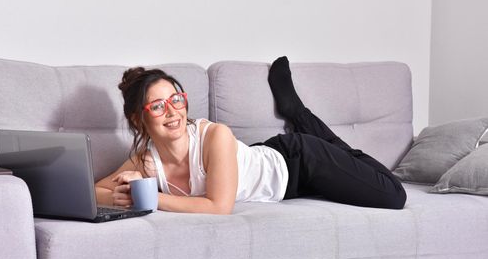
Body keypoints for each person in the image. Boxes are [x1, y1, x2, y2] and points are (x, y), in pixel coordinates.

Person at [95, 56, 406, 214]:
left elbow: (219, 207)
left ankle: (299, 115)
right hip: (263, 158)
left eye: (177, 100)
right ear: (139, 119)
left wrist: (148, 197)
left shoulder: (216, 136)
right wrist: (121, 195)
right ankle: (307, 123)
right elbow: (94, 191)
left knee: (393, 193)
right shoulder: (146, 161)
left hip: (300, 162)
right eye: (158, 106)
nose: (173, 112)